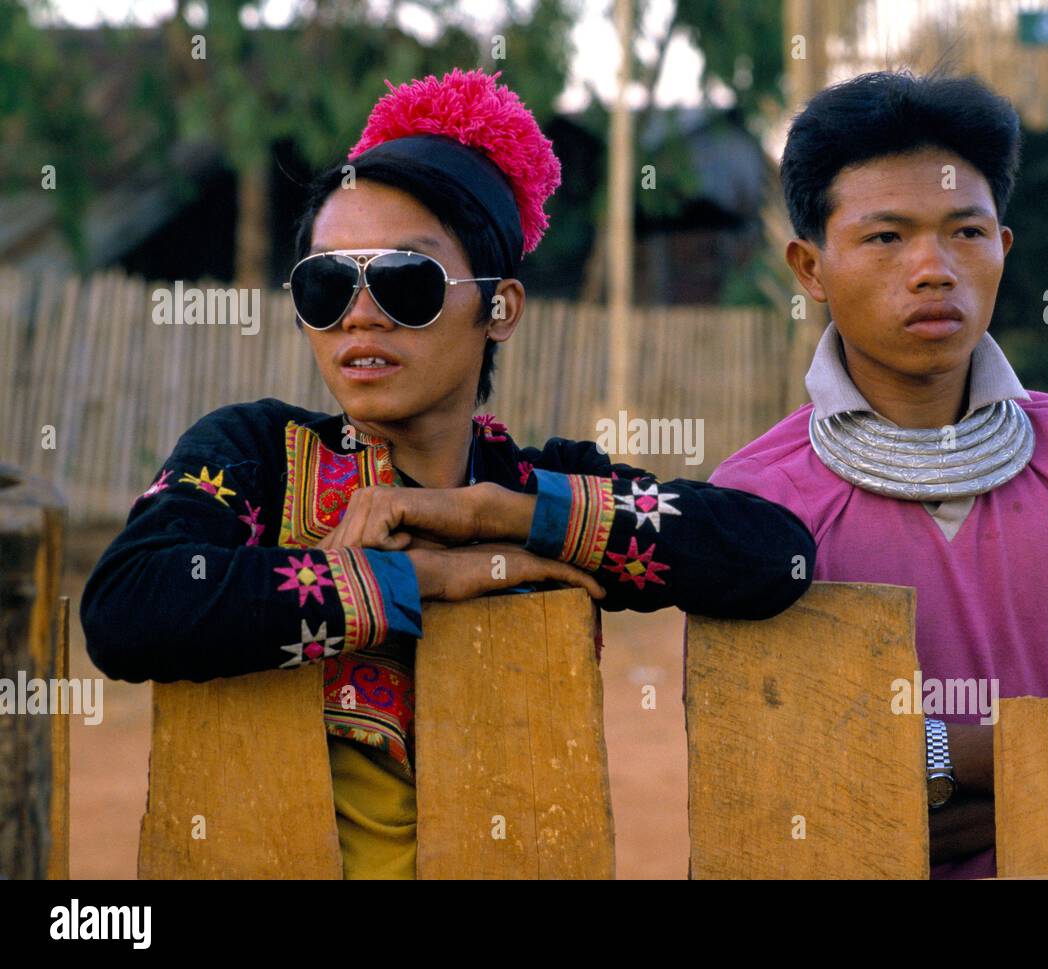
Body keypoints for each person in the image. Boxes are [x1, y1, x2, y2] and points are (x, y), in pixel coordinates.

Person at [81, 69, 816, 879]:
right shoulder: (256, 459)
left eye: (406, 281)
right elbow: (127, 609)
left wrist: (491, 518)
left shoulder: (542, 492)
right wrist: (403, 579)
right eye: (327, 285)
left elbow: (772, 556)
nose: (361, 314)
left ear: (499, 306)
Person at [708, 70, 1048, 879]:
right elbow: (782, 801)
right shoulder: (754, 500)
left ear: (1002, 249)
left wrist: (929, 753)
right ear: (810, 268)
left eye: (965, 233)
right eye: (886, 237)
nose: (933, 268)